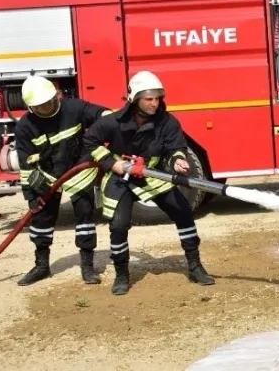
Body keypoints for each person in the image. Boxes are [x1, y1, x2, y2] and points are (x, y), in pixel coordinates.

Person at [83, 70, 214, 296]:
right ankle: (122, 274)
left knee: (183, 211)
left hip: (153, 175)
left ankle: (195, 266)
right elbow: (90, 140)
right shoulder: (112, 121)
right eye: (149, 99)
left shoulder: (167, 122)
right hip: (121, 178)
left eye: (157, 99)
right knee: (119, 224)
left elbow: (176, 148)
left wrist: (178, 160)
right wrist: (109, 162)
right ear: (135, 99)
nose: (154, 104)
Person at [14, 75, 112, 286]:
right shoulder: (25, 127)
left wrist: (111, 118)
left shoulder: (73, 107)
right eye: (39, 107)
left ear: (56, 96)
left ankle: (87, 266)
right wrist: (31, 196)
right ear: (30, 107)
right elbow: (26, 165)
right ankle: (41, 266)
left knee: (85, 217)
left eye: (48, 103)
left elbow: (99, 113)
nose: (46, 108)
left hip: (79, 169)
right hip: (48, 176)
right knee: (41, 219)